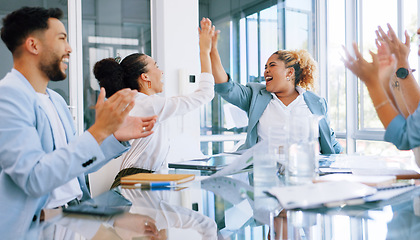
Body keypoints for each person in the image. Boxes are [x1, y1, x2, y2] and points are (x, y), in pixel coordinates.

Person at [0, 7, 157, 238]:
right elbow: (35, 179)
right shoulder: (8, 98)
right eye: (62, 38)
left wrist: (111, 136)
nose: (69, 48)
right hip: (42, 225)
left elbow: (75, 165)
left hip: (76, 215)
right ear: (33, 45)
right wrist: (98, 131)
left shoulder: (56, 100)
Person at [342, 0, 420, 184]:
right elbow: (417, 116)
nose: (419, 30)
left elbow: (405, 136)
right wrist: (399, 63)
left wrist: (372, 83)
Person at [93, 17, 215, 188]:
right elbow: (205, 94)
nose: (162, 72)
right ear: (145, 77)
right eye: (156, 66)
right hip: (137, 180)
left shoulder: (139, 103)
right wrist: (205, 50)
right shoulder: (149, 104)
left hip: (136, 179)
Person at [208, 21, 342, 154]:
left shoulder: (317, 103)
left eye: (272, 65)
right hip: (266, 171)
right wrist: (212, 51)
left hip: (306, 171)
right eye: (265, 67)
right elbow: (226, 87)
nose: (266, 71)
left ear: (289, 73)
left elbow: (331, 143)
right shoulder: (255, 96)